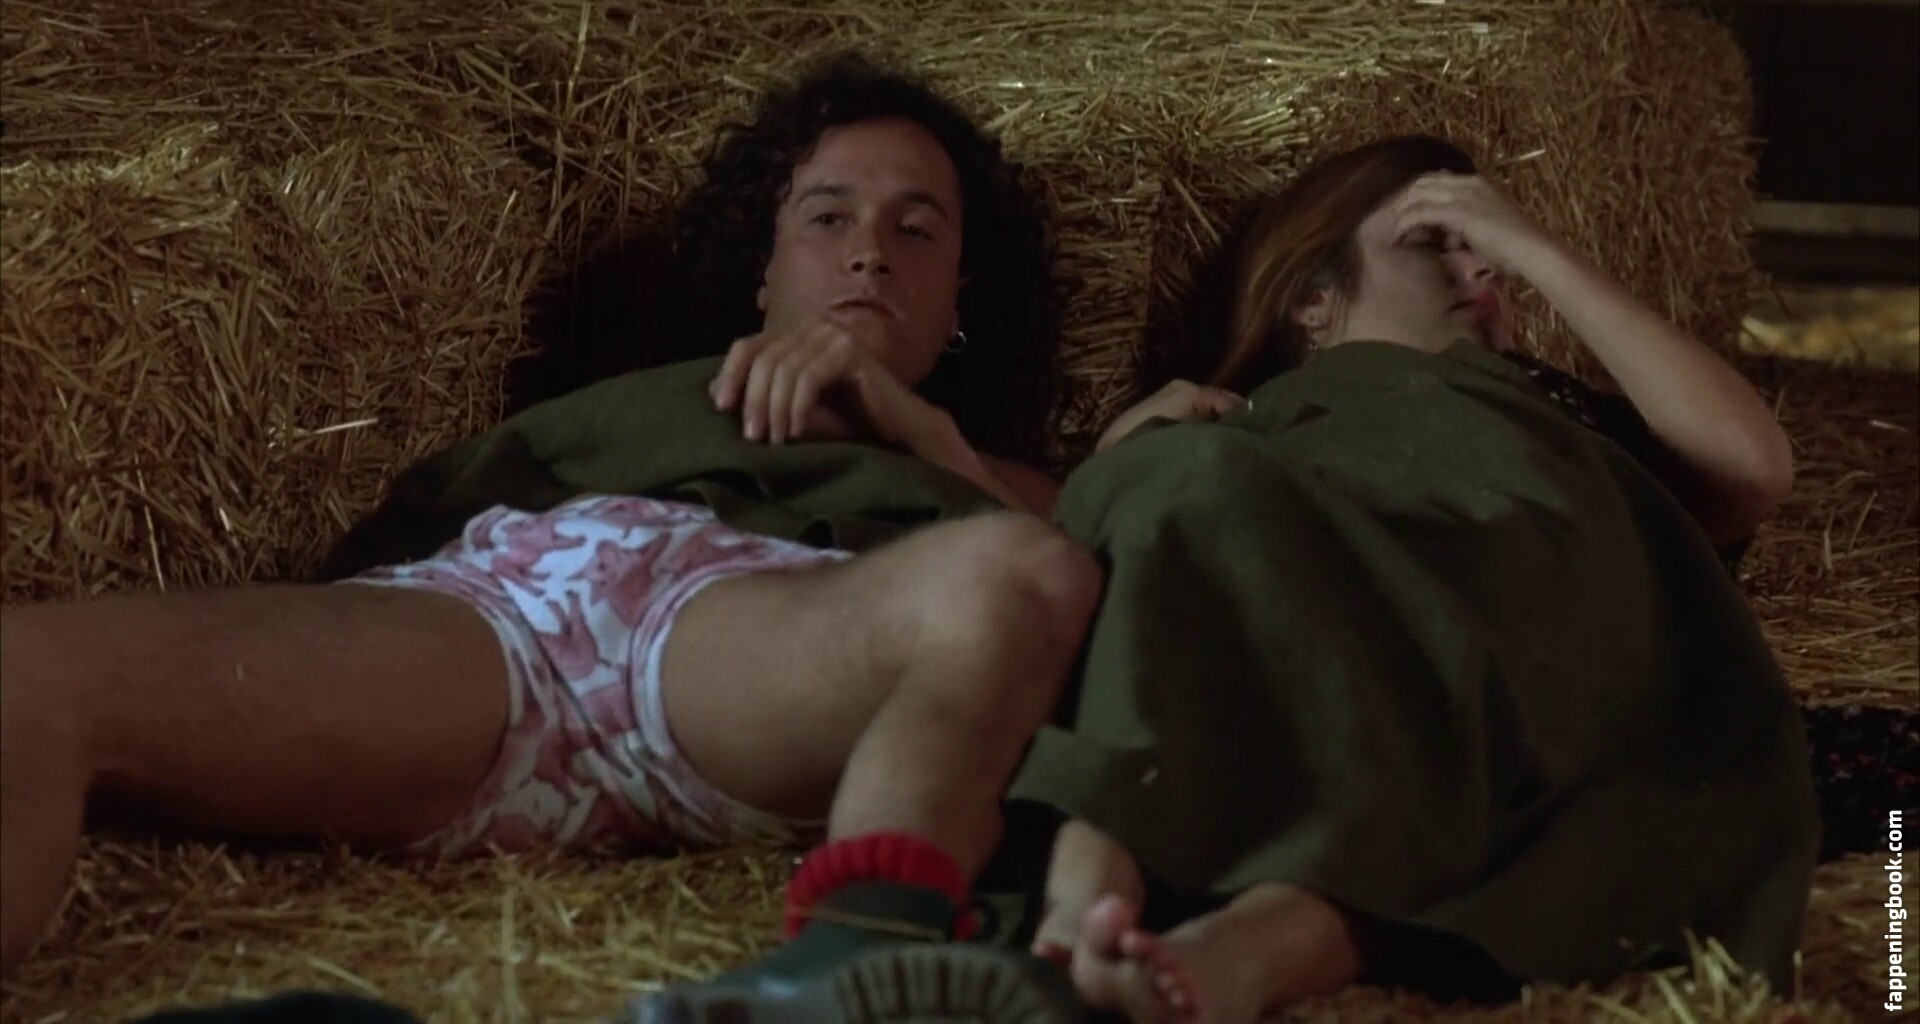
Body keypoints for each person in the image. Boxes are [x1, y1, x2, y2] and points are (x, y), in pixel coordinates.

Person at [0, 54, 1104, 1021]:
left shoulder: (1019, 491)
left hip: (737, 647)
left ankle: (842, 968)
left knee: (1012, 575)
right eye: (827, 217)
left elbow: (1080, 619)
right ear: (764, 267)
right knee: (34, 674)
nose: (869, 255)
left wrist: (922, 437)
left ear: (961, 297)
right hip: (494, 613)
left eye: (916, 229)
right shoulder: (645, 405)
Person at [979, 135, 1816, 1024]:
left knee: (1432, 731)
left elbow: (1752, 466)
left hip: (1502, 643)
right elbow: (1088, 583)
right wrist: (1125, 457)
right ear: (1311, 298)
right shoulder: (1242, 436)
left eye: (1484, 242)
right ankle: (1093, 903)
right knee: (1170, 485)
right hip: (1328, 667)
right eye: (1432, 239)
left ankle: (1225, 951)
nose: (1479, 265)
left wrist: (1533, 248)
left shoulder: (1561, 414)